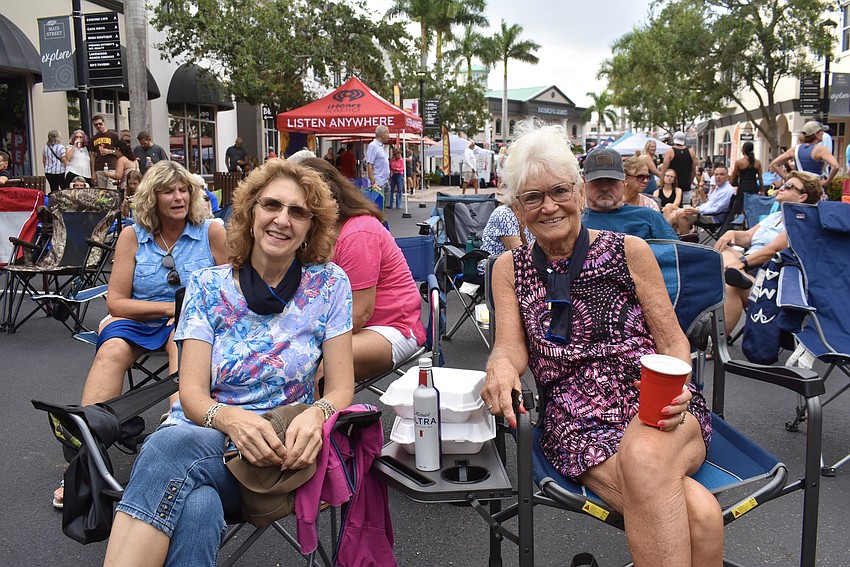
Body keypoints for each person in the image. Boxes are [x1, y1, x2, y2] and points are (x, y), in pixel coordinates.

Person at [480, 121, 720, 567]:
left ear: (579, 192)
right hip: (576, 422)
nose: (549, 206)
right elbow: (511, 347)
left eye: (559, 191)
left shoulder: (631, 250)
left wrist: (679, 386)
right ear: (516, 208)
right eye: (533, 197)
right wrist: (500, 363)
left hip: (656, 404)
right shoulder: (507, 269)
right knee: (701, 514)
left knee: (647, 458)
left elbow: (673, 342)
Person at [103, 159, 354, 566]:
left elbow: (342, 387)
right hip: (206, 435)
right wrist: (231, 420)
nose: (282, 220)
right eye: (272, 205)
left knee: (168, 448)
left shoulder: (329, 285)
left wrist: (318, 413)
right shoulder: (207, 286)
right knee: (198, 506)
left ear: (312, 226)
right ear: (251, 211)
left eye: (298, 212)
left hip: (274, 456)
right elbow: (192, 394)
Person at [51, 161, 228, 510]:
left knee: (183, 342)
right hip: (142, 318)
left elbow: (231, 289)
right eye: (168, 191)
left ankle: (173, 449)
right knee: (111, 350)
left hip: (192, 322)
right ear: (153, 197)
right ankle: (86, 461)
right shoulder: (134, 235)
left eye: (184, 190)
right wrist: (167, 309)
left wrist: (188, 314)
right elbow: (115, 302)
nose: (178, 197)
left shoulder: (212, 231)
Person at [300, 157, 425, 381]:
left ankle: (318, 416)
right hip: (358, 325)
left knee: (319, 362)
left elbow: (360, 313)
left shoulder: (358, 232)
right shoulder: (322, 232)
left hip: (392, 327)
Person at [714, 171, 822, 334]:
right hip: (746, 266)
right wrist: (732, 234)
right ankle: (736, 274)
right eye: (784, 183)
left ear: (802, 197)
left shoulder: (800, 221)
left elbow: (774, 250)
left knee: (730, 286)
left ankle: (716, 344)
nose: (782, 187)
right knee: (724, 251)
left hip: (769, 275)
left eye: (789, 186)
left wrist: (742, 262)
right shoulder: (775, 216)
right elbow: (748, 236)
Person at [582, 148, 679, 241]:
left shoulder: (648, 216)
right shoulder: (575, 222)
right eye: (597, 181)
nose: (604, 188)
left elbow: (676, 252)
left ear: (623, 181)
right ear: (584, 182)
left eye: (611, 181)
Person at [770, 121, 839, 189]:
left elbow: (774, 164)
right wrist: (827, 182)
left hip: (798, 186)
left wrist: (786, 178)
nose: (823, 133)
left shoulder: (795, 149)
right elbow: (835, 166)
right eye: (821, 131)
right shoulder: (821, 150)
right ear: (815, 134)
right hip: (814, 186)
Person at [670, 165, 735, 235]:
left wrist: (698, 210)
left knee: (680, 214)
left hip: (713, 218)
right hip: (708, 214)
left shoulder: (727, 191)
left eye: (721, 174)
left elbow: (717, 209)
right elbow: (709, 204)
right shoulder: (719, 188)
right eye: (716, 174)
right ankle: (672, 237)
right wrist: (697, 208)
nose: (718, 177)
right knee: (672, 211)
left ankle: (686, 240)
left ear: (727, 177)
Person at [660, 131, 696, 200]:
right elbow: (693, 172)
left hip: (672, 189)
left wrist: (662, 185)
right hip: (686, 187)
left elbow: (663, 171)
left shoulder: (670, 152)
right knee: (685, 209)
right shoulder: (691, 152)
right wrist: (689, 182)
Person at [88, 115, 121, 189]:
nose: (98, 126)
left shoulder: (113, 135)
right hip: (99, 168)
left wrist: (109, 151)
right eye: (96, 125)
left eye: (100, 124)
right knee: (102, 193)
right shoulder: (93, 139)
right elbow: (92, 156)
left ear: (104, 123)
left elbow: (121, 153)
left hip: (112, 167)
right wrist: (93, 173)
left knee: (111, 191)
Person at [366, 125, 391, 198]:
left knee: (384, 206)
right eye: (388, 133)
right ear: (383, 135)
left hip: (384, 182)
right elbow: (369, 165)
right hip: (378, 182)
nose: (389, 136)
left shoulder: (381, 147)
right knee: (378, 206)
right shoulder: (373, 146)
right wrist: (373, 182)